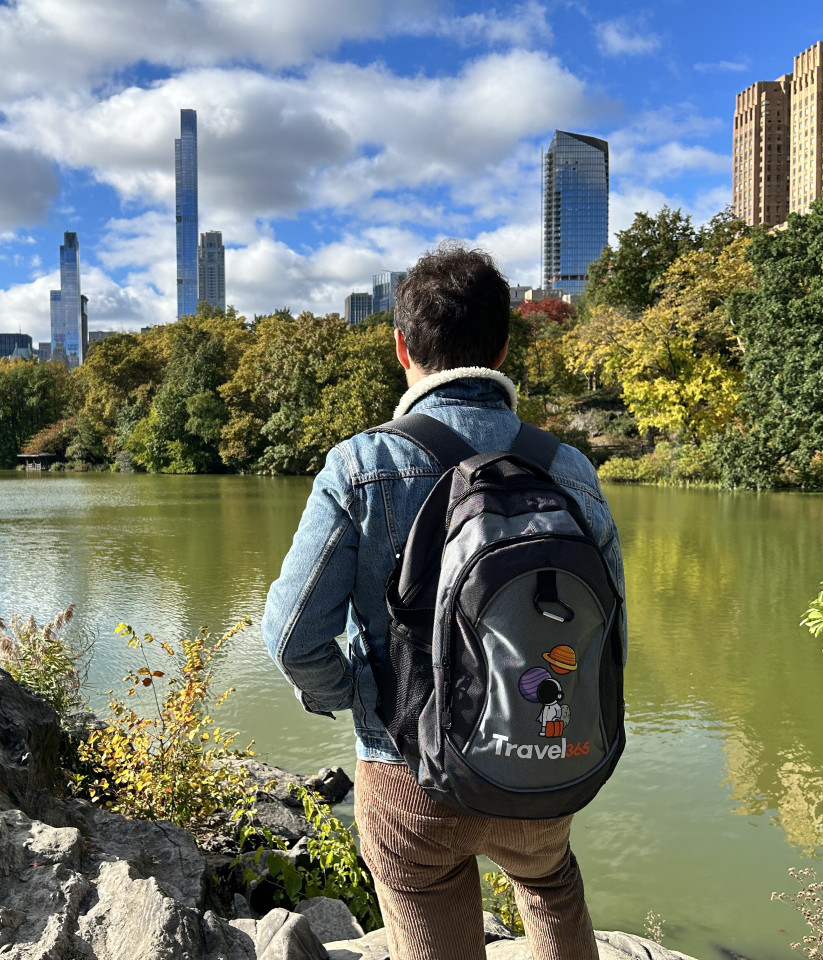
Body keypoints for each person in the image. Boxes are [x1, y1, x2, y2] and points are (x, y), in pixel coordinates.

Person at [261, 243, 625, 960]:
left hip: (407, 773)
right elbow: (606, 626)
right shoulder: (570, 469)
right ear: (503, 345)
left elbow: (291, 637)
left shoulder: (360, 465)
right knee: (551, 886)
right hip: (541, 754)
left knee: (426, 905)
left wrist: (362, 695)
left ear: (402, 346)